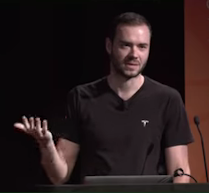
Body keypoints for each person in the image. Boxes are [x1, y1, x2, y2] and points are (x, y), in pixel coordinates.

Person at [14, 12, 194, 184]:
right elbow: (59, 177)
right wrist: (47, 147)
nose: (134, 54)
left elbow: (180, 171)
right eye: (125, 45)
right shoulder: (81, 97)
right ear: (109, 46)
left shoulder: (167, 99)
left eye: (142, 46)